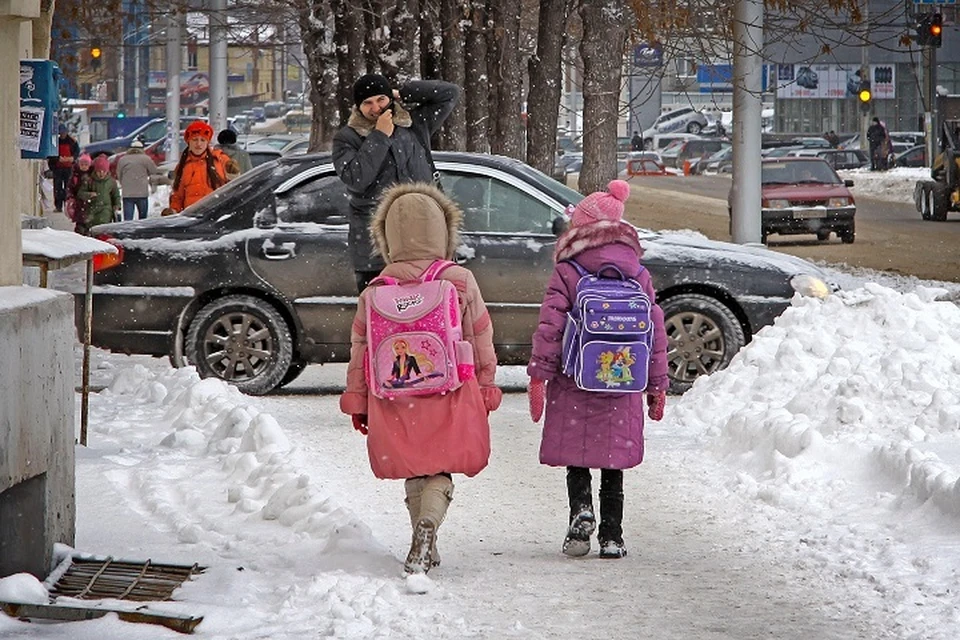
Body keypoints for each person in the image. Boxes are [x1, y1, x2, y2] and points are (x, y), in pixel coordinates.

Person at [339, 182, 501, 575]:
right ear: (443, 231)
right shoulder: (459, 280)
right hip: (451, 387)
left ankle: (421, 536)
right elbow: (481, 336)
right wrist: (486, 387)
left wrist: (357, 399)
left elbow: (360, 348)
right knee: (440, 466)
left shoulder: (377, 287)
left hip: (395, 394)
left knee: (415, 465)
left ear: (388, 236)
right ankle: (429, 526)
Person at [527, 179, 668, 560]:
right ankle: (612, 537)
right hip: (623, 382)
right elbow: (654, 333)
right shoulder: (638, 274)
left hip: (576, 378)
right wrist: (657, 385)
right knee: (613, 464)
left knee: (578, 454)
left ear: (585, 228)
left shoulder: (568, 271)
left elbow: (550, 326)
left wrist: (540, 373)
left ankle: (581, 514)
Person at [333, 74, 460, 293]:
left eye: (381, 99)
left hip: (425, 241)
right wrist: (380, 135)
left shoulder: (414, 124)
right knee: (384, 318)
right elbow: (356, 179)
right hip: (377, 251)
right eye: (367, 103)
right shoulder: (347, 138)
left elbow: (450, 94)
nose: (376, 108)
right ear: (358, 107)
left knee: (428, 313)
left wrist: (404, 93)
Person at [165, 121, 233, 214]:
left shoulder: (220, 159)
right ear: (189, 142)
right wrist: (173, 211)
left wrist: (234, 174)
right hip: (191, 219)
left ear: (207, 142)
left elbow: (234, 187)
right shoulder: (183, 166)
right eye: (195, 140)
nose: (199, 144)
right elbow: (177, 196)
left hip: (215, 217)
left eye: (202, 140)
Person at [116, 140, 163, 220]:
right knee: (142, 219)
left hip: (127, 193)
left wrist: (123, 183)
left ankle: (128, 231)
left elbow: (118, 174)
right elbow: (153, 171)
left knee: (128, 220)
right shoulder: (146, 159)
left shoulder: (123, 159)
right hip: (142, 193)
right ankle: (141, 232)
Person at [76, 155, 121, 234]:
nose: (101, 174)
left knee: (103, 227)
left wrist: (117, 205)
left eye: (104, 171)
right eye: (99, 171)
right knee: (92, 228)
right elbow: (80, 193)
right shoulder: (89, 180)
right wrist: (89, 195)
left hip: (106, 209)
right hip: (92, 209)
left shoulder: (111, 181)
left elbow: (116, 195)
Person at [48, 125, 80, 212]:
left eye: (64, 133)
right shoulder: (55, 142)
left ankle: (67, 205)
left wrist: (72, 158)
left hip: (69, 168)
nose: (62, 135)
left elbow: (77, 152)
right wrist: (58, 159)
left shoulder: (72, 141)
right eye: (61, 133)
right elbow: (51, 154)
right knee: (57, 188)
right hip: (57, 168)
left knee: (68, 187)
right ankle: (58, 206)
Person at [65, 153, 93, 233]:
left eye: (86, 164)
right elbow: (70, 187)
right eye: (82, 164)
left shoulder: (91, 176)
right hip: (78, 201)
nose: (84, 166)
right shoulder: (75, 175)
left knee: (88, 219)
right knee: (80, 219)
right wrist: (70, 196)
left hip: (89, 202)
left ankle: (86, 230)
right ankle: (79, 231)